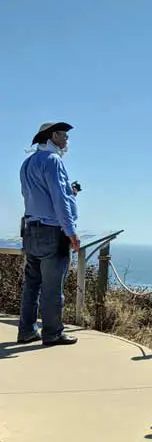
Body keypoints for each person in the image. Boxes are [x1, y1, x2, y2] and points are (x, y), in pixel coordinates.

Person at [18, 121, 81, 346]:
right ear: (53, 136)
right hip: (52, 231)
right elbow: (59, 199)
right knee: (53, 286)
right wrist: (71, 231)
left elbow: (32, 195)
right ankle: (52, 333)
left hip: (31, 229)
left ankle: (26, 331)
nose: (66, 140)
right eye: (63, 135)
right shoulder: (53, 161)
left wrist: (69, 192)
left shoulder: (27, 164)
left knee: (32, 284)